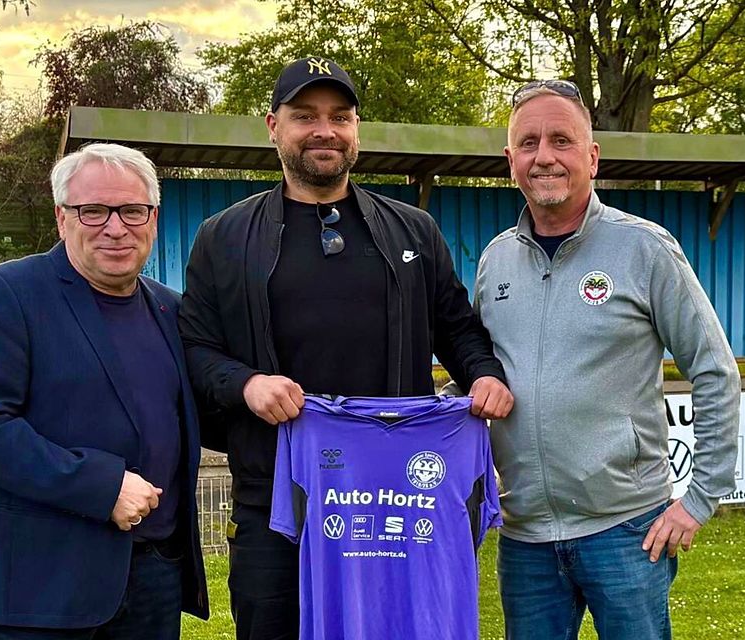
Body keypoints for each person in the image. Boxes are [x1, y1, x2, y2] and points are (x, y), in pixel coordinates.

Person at [178, 56, 513, 640]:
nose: (324, 130)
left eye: (341, 116)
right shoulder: (224, 237)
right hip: (275, 503)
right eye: (304, 115)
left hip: (395, 501)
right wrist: (247, 384)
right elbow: (196, 348)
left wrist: (483, 374)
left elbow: (457, 328)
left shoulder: (413, 231)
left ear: (357, 129)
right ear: (272, 126)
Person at [474, 79, 741, 640]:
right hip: (525, 539)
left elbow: (713, 368)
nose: (544, 156)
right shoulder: (495, 261)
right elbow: (481, 377)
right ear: (510, 161)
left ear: (592, 157)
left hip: (626, 531)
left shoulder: (644, 248)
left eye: (561, 140)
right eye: (528, 143)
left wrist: (698, 501)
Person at [0, 143, 209, 639]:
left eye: (132, 210)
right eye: (94, 211)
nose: (115, 227)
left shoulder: (173, 310)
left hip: (155, 580)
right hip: (42, 592)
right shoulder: (8, 293)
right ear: (63, 218)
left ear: (152, 217)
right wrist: (101, 486)